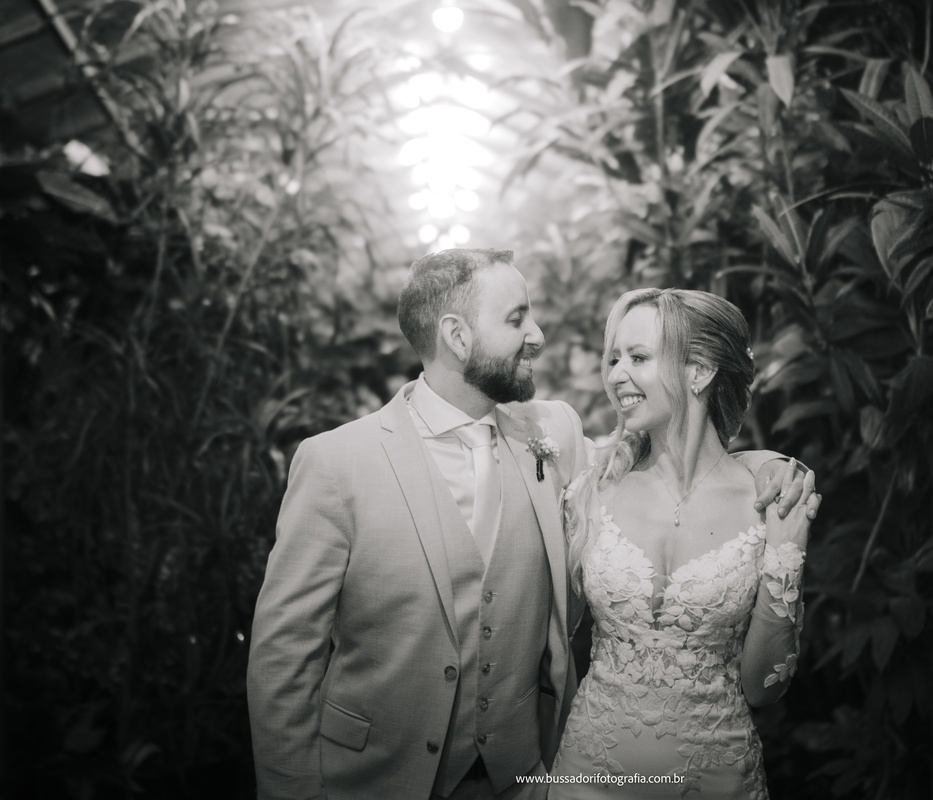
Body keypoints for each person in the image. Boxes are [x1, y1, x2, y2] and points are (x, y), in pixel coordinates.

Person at [246, 249, 817, 800]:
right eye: (517, 318)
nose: (538, 335)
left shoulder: (552, 434)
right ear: (457, 336)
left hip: (520, 777)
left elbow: (672, 465)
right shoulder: (336, 462)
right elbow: (283, 656)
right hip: (375, 779)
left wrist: (771, 466)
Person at [549, 288, 819, 799]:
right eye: (614, 358)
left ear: (700, 371)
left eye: (638, 357)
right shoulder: (593, 489)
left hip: (716, 779)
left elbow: (764, 688)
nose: (616, 374)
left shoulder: (767, 503)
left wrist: (786, 556)